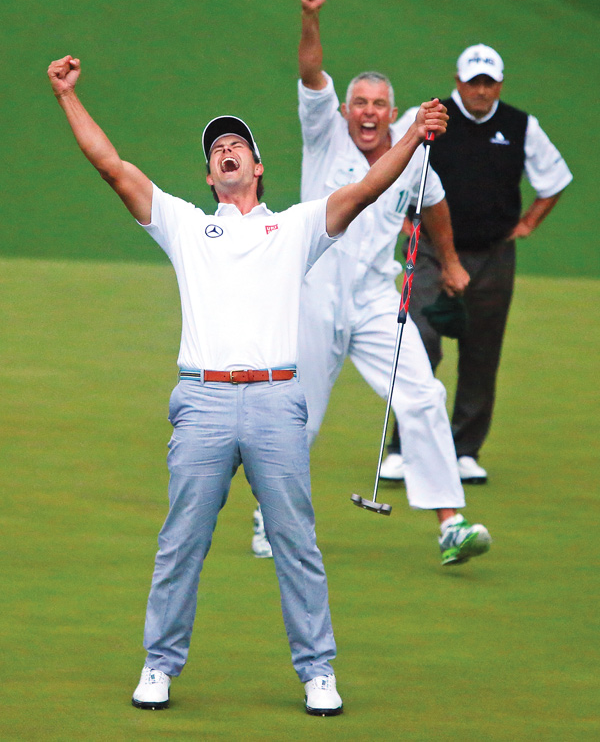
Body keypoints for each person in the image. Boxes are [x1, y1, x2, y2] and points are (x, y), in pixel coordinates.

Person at [47, 53, 448, 715]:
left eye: (238, 145)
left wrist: (413, 136)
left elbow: (368, 189)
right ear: (210, 175)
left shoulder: (293, 227)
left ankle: (318, 671)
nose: (227, 151)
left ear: (257, 167)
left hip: (275, 400)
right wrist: (67, 96)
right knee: (182, 540)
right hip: (202, 400)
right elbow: (112, 167)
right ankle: (159, 664)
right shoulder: (184, 225)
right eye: (217, 149)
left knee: (296, 541)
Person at [251, 0, 491, 567]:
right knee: (298, 414)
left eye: (379, 104)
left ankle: (450, 524)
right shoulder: (322, 130)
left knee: (423, 394)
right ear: (345, 110)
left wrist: (453, 261)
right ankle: (270, 517)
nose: (368, 112)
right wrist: (310, 16)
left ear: (390, 112)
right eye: (359, 102)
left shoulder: (411, 152)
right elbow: (311, 70)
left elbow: (432, 202)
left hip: (376, 296)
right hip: (311, 294)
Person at [381, 43, 573, 484]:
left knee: (481, 351)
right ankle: (403, 446)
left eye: (489, 83)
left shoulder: (521, 126)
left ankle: (465, 449)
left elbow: (555, 179)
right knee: (420, 342)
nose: (481, 91)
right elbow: (396, 168)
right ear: (458, 81)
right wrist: (406, 218)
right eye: (473, 82)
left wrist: (527, 224)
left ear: (500, 85)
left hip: (492, 255)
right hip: (429, 250)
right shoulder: (432, 117)